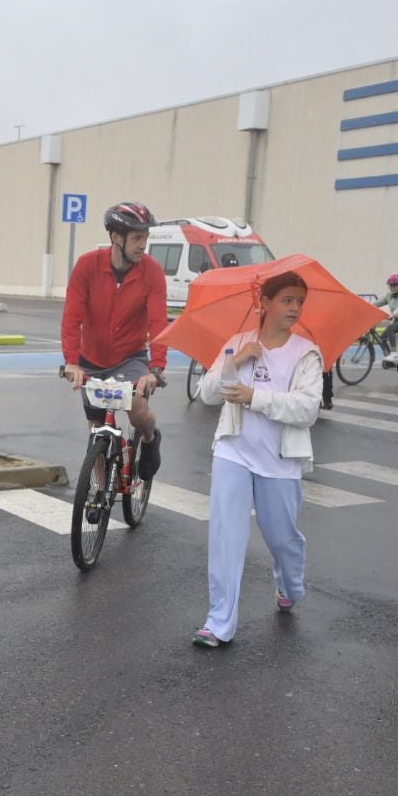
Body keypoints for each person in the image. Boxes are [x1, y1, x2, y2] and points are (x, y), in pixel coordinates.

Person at [191, 271, 324, 648]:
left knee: (281, 537)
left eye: (300, 301)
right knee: (225, 538)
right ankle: (219, 623)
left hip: (280, 462)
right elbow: (208, 395)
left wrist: (255, 397)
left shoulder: (306, 354)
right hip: (233, 450)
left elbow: (307, 409)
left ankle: (290, 584)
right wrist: (234, 364)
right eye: (287, 300)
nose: (295, 307)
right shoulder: (238, 343)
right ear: (264, 303)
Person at [61, 202, 168, 481]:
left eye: (145, 237)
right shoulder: (87, 266)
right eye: (136, 238)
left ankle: (149, 438)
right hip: (90, 359)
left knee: (137, 410)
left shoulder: (152, 272)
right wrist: (72, 361)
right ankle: (97, 491)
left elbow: (158, 322)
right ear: (116, 237)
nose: (143, 245)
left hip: (130, 357)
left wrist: (155, 369)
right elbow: (72, 316)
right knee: (97, 426)